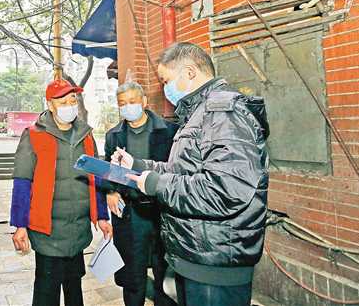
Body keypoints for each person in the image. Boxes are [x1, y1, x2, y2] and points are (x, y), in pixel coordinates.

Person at [114, 42, 270, 306]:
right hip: (198, 254)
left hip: (215, 262)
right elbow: (183, 171)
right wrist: (138, 165)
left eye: (166, 81)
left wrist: (156, 184)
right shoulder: (200, 113)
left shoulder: (223, 113)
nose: (165, 89)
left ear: (189, 73)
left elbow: (224, 190)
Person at [10, 79, 112, 306]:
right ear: (50, 104)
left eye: (72, 100)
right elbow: (22, 182)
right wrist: (20, 225)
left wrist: (102, 216)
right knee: (47, 292)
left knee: (74, 288)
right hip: (48, 231)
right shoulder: (33, 135)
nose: (69, 106)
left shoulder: (86, 135)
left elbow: (95, 177)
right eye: (62, 102)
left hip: (77, 228)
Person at [104, 81, 178, 306]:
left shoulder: (170, 131)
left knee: (165, 274)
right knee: (132, 276)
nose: (128, 107)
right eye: (122, 103)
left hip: (162, 210)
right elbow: (109, 170)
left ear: (144, 102)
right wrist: (110, 191)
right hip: (131, 213)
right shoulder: (113, 135)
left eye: (132, 101)